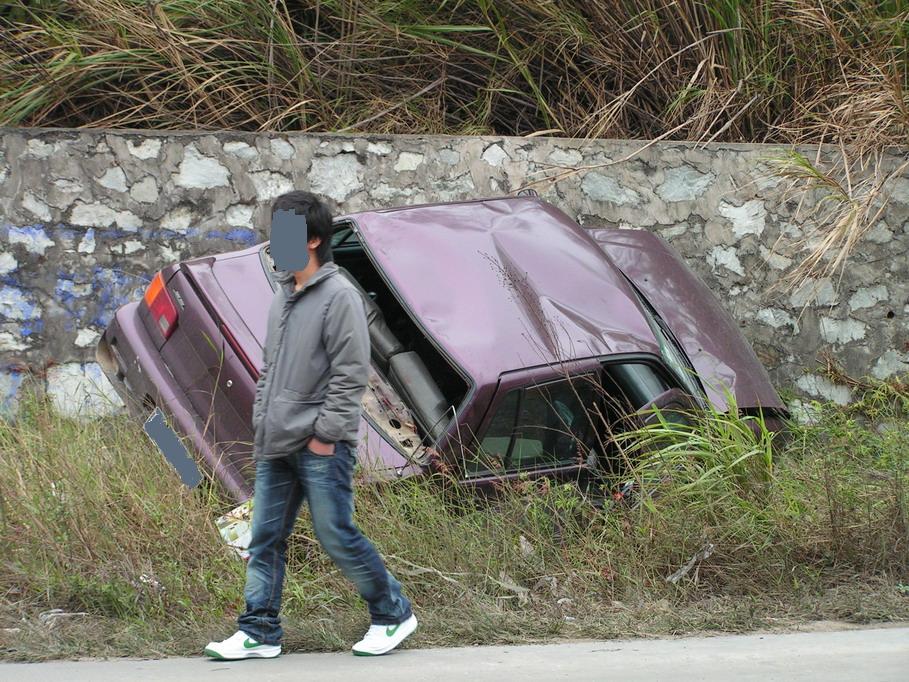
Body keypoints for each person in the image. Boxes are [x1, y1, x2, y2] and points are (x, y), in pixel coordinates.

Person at [204, 191, 416, 660]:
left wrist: (325, 435)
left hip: (321, 445)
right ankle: (259, 631)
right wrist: (263, 424)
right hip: (277, 441)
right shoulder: (285, 297)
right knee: (264, 538)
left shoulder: (340, 296)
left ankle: (393, 613)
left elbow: (351, 372)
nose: (273, 244)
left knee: (336, 534)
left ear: (314, 239)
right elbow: (270, 368)